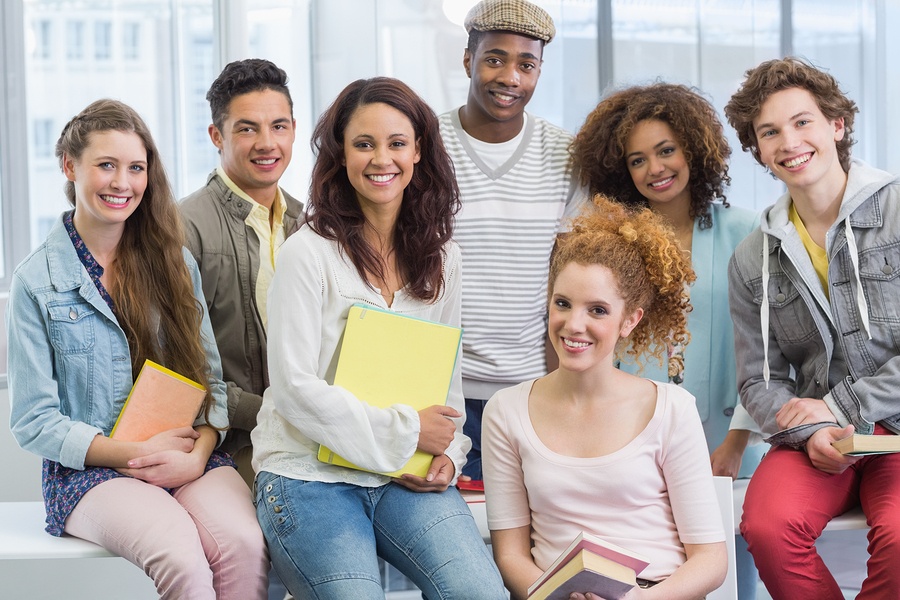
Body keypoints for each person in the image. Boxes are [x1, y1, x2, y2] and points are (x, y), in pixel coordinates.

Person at [251, 77, 507, 599]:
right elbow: (295, 389)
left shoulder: (444, 258)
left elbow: (446, 383)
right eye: (363, 144)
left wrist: (449, 456)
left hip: (401, 477)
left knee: (480, 594)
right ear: (340, 156)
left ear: (418, 152)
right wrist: (408, 431)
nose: (380, 159)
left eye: (396, 143)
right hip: (307, 476)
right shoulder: (308, 253)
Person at [6, 99, 268, 599]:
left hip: (187, 455)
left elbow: (209, 385)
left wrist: (199, 455)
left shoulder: (174, 263)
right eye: (106, 165)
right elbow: (34, 420)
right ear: (69, 166)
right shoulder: (36, 281)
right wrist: (131, 453)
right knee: (180, 555)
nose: (122, 183)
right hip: (90, 473)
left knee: (245, 543)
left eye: (136, 168)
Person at [571, 82, 764, 598]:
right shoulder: (611, 242)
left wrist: (737, 441)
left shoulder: (748, 232)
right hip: (633, 443)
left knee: (734, 574)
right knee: (645, 570)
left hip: (728, 444)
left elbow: (770, 347)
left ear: (693, 151)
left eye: (666, 150)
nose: (655, 168)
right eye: (638, 159)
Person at [482, 196, 727, 600]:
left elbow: (710, 560)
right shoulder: (505, 412)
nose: (573, 324)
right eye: (562, 303)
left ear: (629, 320)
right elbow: (510, 557)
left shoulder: (670, 408)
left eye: (597, 309)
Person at [724, 57, 900, 599]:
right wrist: (812, 430)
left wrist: (840, 407)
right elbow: (759, 380)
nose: (788, 142)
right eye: (769, 132)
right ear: (758, 150)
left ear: (836, 126)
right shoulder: (752, 258)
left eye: (803, 122)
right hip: (817, 441)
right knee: (769, 528)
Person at [439, 0, 590, 481]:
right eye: (494, 58)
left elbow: (567, 279)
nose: (510, 77)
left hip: (534, 393)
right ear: (468, 60)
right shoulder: (425, 146)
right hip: (444, 395)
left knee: (532, 541)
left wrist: (564, 389)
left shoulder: (567, 154)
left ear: (540, 70)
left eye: (526, 64)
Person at [180, 58, 303, 487]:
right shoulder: (182, 227)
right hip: (230, 445)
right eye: (247, 128)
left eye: (279, 126)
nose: (267, 143)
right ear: (217, 135)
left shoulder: (311, 224)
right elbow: (177, 366)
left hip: (314, 433)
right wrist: (277, 413)